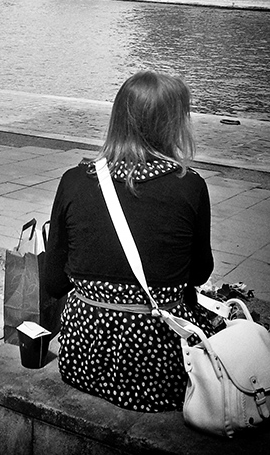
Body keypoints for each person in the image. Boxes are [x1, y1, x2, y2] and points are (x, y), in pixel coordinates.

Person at [43, 71, 214, 413]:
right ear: (173, 126)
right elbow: (198, 273)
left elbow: (53, 281)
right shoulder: (190, 186)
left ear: (118, 118)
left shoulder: (75, 181)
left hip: (83, 362)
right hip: (159, 369)